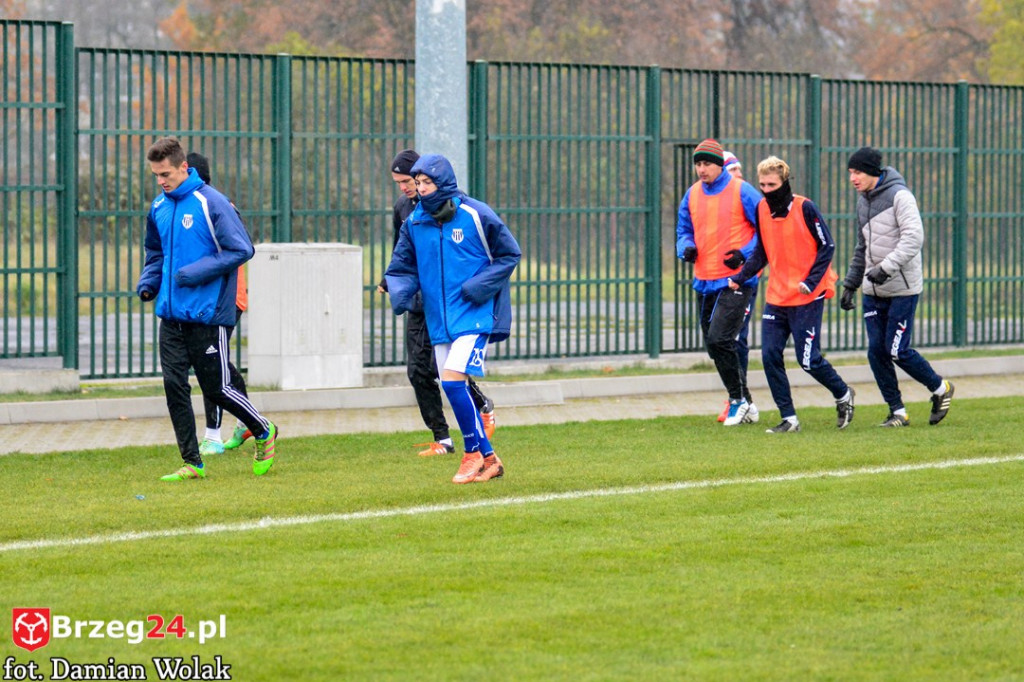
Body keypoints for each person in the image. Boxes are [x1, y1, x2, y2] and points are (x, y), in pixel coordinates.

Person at [137, 136, 278, 480]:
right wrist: (149, 281)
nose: (161, 181)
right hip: (170, 315)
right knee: (174, 386)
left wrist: (195, 273)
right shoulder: (159, 207)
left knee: (217, 388)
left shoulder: (211, 203)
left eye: (166, 174)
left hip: (207, 313)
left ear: (184, 167)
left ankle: (263, 429)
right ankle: (192, 462)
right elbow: (156, 254)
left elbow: (242, 249)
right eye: (156, 175)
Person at [384, 153, 521, 484]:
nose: (421, 188)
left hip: (474, 312)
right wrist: (401, 292)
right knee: (452, 384)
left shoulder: (475, 214)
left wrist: (478, 288)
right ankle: (489, 459)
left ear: (443, 182)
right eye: (418, 183)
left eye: (426, 182)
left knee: (450, 379)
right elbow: (401, 266)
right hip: (439, 319)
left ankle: (471, 454)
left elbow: (509, 254)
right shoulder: (415, 222)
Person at [728, 155, 856, 433]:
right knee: (770, 356)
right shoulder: (762, 209)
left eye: (771, 184)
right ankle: (789, 418)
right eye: (762, 184)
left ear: (784, 182)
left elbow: (828, 246)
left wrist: (810, 281)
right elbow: (762, 251)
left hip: (809, 295)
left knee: (808, 359)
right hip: (777, 295)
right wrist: (739, 278)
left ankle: (843, 393)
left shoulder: (805, 207)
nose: (766, 189)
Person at [840, 146, 954, 427]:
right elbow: (862, 247)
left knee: (897, 350)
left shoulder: (901, 196)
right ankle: (898, 412)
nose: (853, 178)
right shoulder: (862, 201)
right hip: (872, 290)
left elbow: (914, 239)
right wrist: (851, 284)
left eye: (858, 172)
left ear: (873, 172)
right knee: (876, 351)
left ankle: (941, 389)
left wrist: (886, 268)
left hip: (902, 289)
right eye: (851, 173)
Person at [676, 138, 762, 426]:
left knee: (721, 338)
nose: (702, 169)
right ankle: (746, 401)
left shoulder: (743, 191)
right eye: (698, 164)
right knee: (714, 346)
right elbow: (684, 229)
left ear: (719, 165)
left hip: (737, 280)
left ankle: (737, 401)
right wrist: (685, 246)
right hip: (704, 279)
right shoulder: (691, 194)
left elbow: (766, 230)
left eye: (707, 164)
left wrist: (745, 254)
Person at [185, 151, 253, 457]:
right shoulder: (186, 206)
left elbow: (237, 250)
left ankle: (213, 435)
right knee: (218, 364)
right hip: (204, 300)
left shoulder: (219, 206)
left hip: (224, 301)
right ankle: (246, 420)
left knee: (211, 367)